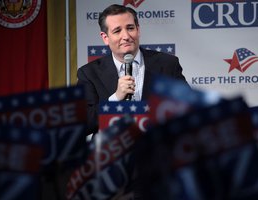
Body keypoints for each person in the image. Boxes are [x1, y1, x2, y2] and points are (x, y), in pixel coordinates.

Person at [77, 4, 189, 135]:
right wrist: (115, 99)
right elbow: (84, 124)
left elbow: (188, 108)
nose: (126, 36)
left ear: (138, 30)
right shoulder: (89, 73)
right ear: (105, 37)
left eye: (130, 28)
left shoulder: (167, 64)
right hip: (113, 151)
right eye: (117, 31)